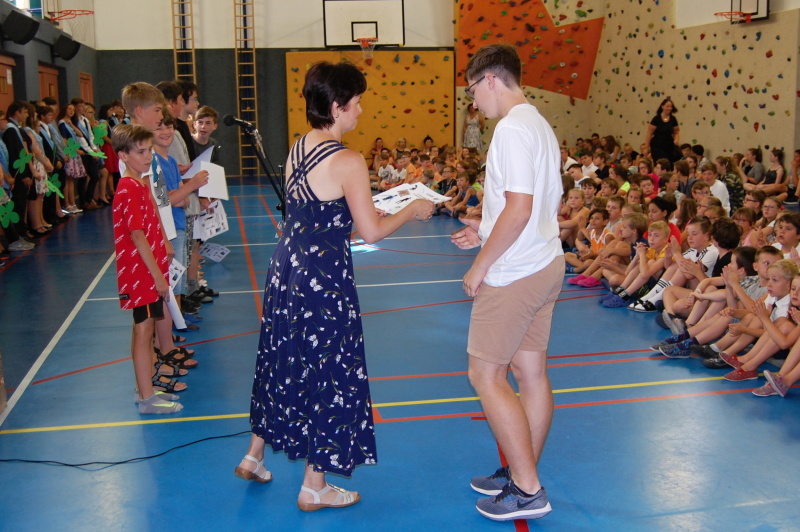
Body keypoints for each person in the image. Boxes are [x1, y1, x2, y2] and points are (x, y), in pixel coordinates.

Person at [235, 61, 433, 511]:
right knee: (330, 370)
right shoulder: (348, 160)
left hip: (287, 267)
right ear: (339, 106)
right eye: (357, 102)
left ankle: (253, 454)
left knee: (283, 359)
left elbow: (319, 215)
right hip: (323, 280)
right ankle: (314, 486)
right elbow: (371, 232)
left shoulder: (299, 145)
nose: (361, 110)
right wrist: (412, 208)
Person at [451, 43, 563, 521]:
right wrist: (484, 225)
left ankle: (528, 489)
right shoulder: (537, 123)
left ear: (491, 80)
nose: (474, 101)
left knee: (485, 374)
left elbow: (518, 210)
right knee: (530, 373)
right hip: (544, 262)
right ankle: (523, 471)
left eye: (473, 91)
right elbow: (526, 205)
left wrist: (481, 264)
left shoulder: (511, 129)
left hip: (515, 273)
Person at [111, 124, 182, 414]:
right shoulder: (128, 187)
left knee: (144, 327)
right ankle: (146, 397)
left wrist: (163, 243)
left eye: (149, 150)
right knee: (143, 330)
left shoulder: (140, 182)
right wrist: (157, 276)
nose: (148, 156)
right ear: (123, 155)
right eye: (140, 152)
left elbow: (151, 219)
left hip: (148, 268)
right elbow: (137, 235)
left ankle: (145, 389)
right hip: (140, 272)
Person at [645, 97, 680, 163]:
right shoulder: (656, 119)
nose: (670, 108)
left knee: (669, 162)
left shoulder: (673, 119)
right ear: (662, 106)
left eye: (671, 107)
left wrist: (676, 140)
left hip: (669, 145)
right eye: (667, 106)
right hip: (657, 145)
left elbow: (676, 132)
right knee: (660, 162)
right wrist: (646, 148)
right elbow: (649, 134)